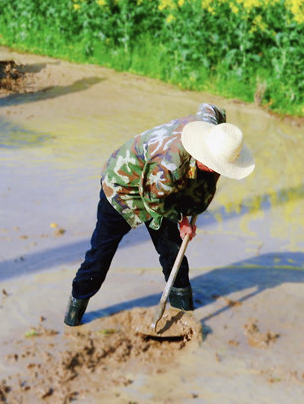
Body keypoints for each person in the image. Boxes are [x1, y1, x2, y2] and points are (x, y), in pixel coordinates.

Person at [64, 103, 255, 326]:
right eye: (214, 165)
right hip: (122, 187)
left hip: (159, 187)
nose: (216, 170)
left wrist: (222, 140)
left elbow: (211, 108)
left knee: (172, 249)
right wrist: (183, 221)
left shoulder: (210, 126)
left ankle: (184, 309)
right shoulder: (170, 164)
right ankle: (74, 314)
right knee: (101, 254)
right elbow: (155, 201)